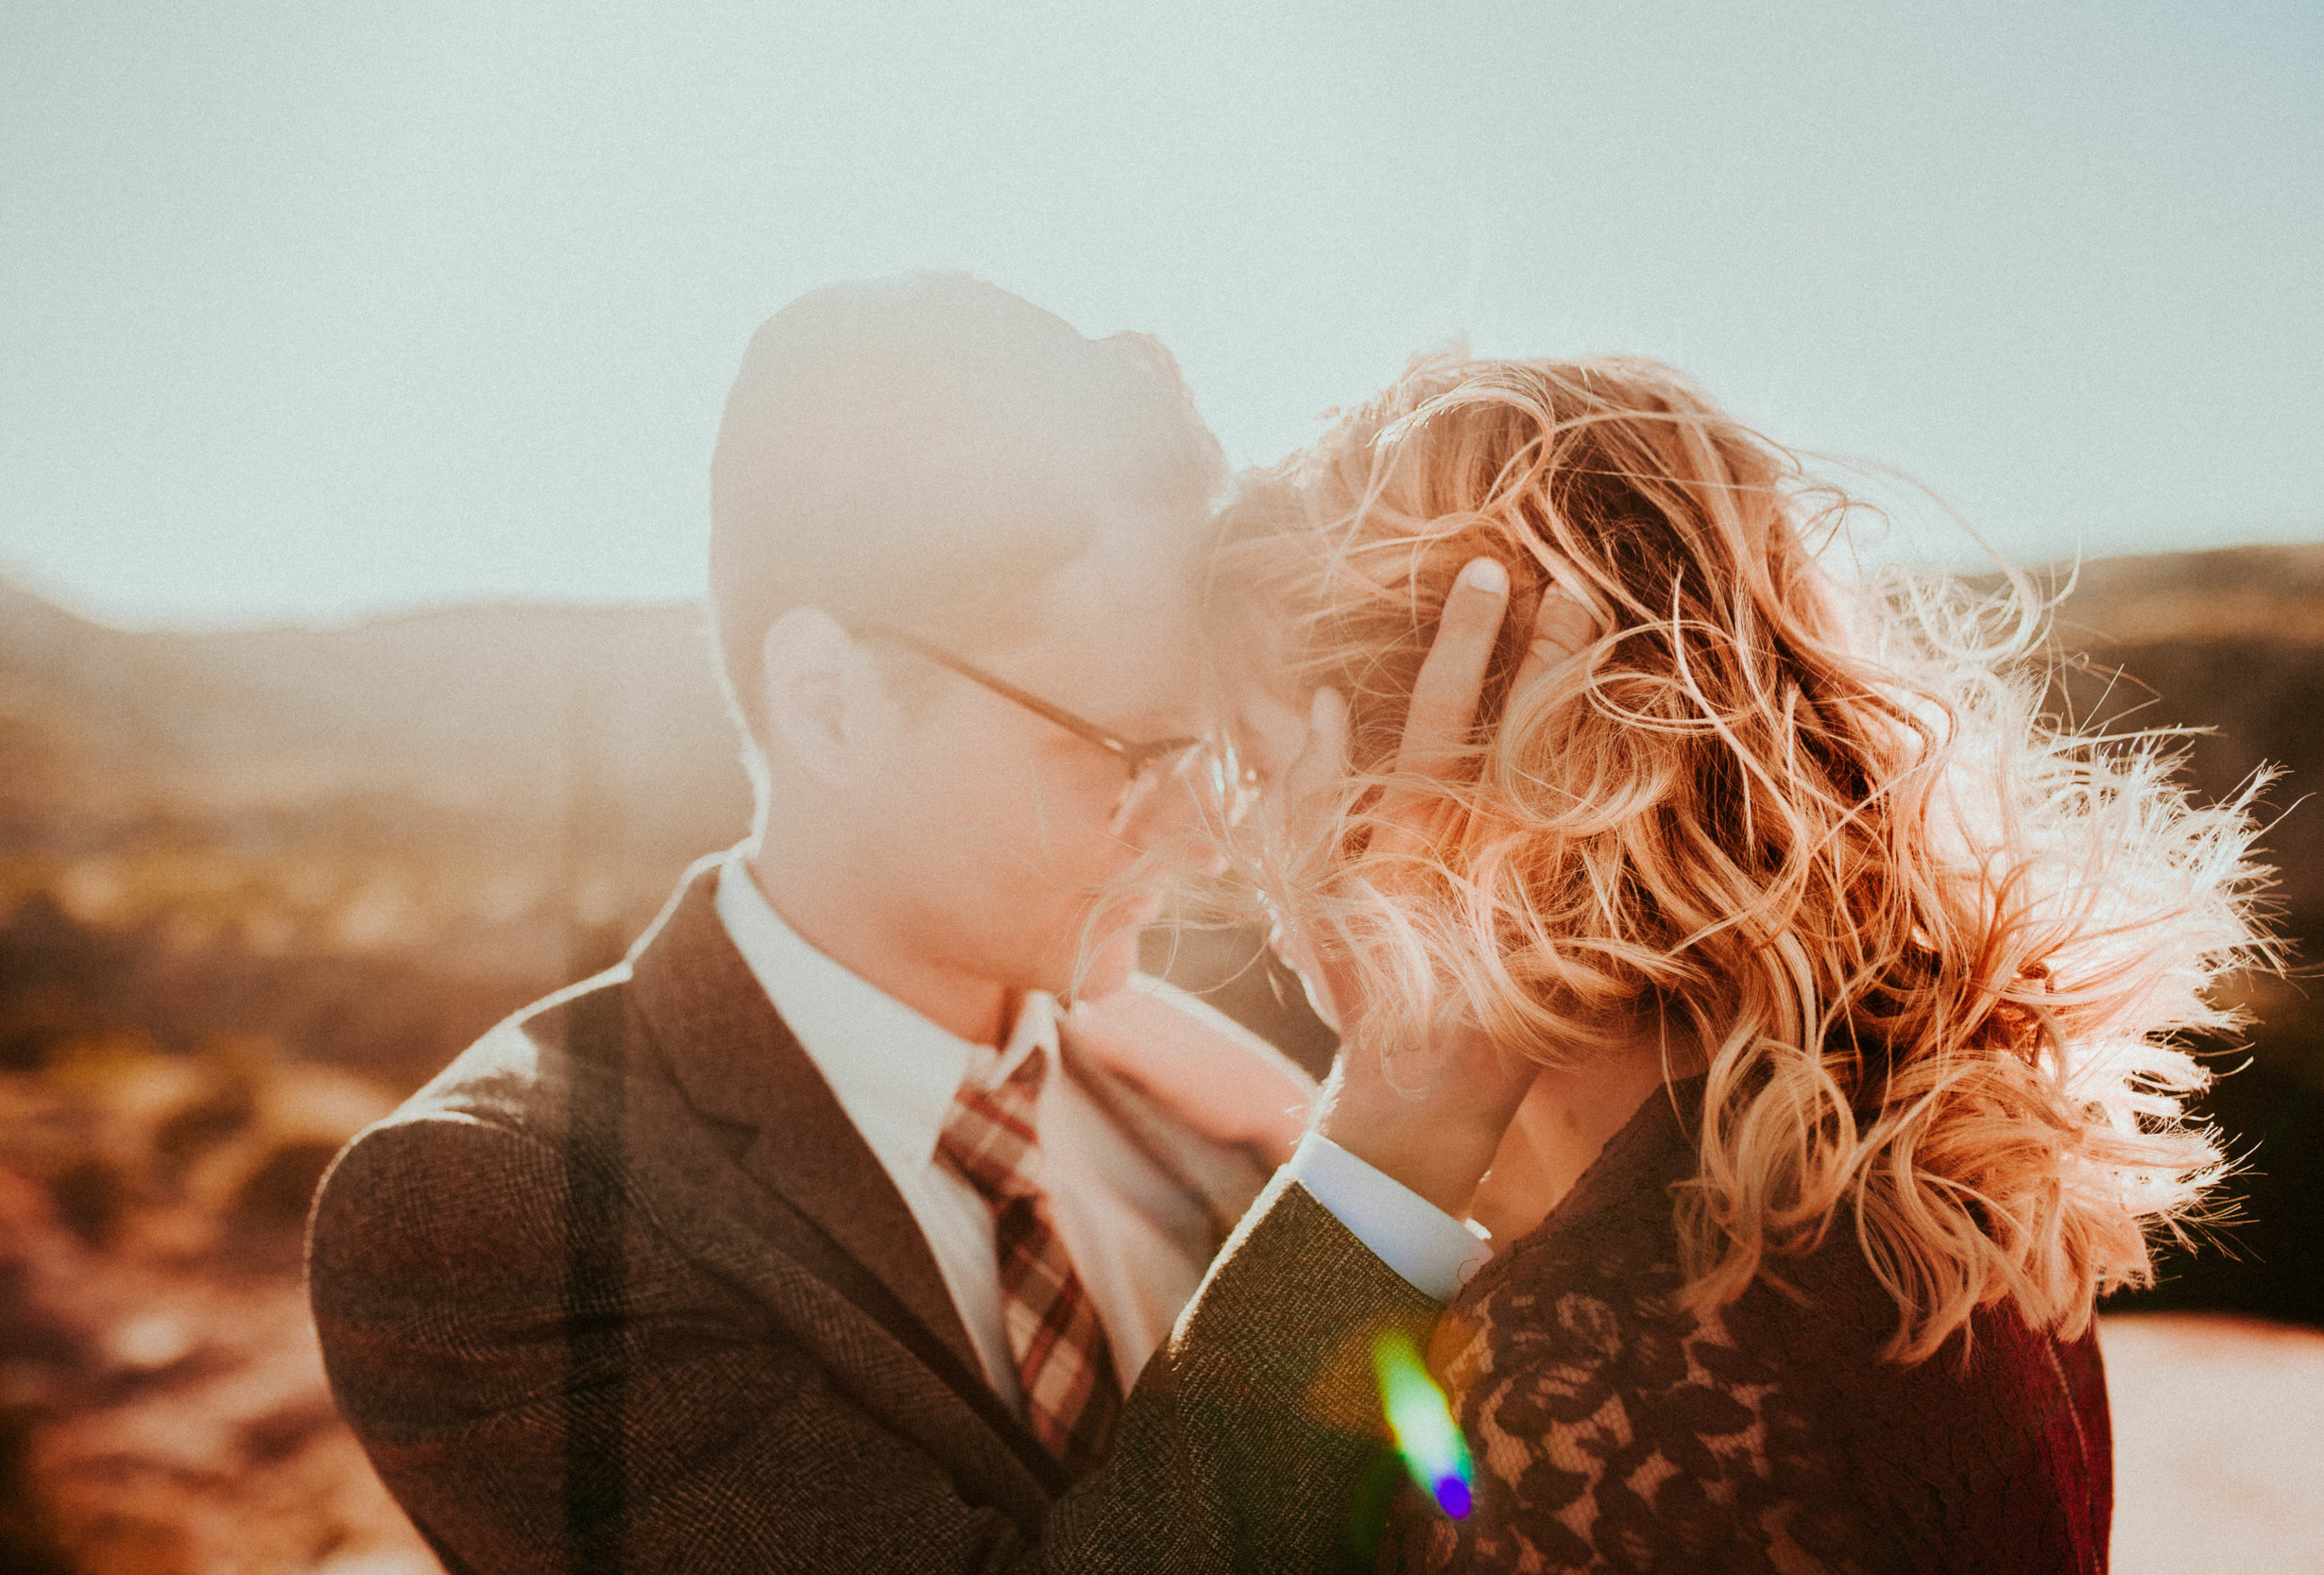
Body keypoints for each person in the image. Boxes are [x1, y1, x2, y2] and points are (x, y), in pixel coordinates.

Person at [305, 274, 1544, 1573]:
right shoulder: (493, 1215)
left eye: (1214, 751)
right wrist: (1396, 1151)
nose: (1206, 833)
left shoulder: (1226, 1094)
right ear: (831, 701)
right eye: (1132, 752)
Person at [1213, 353, 2267, 1573]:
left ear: (1439, 783)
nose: (1232, 836)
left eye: (1252, 762)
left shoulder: (1617, 1363)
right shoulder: (1898, 1184)